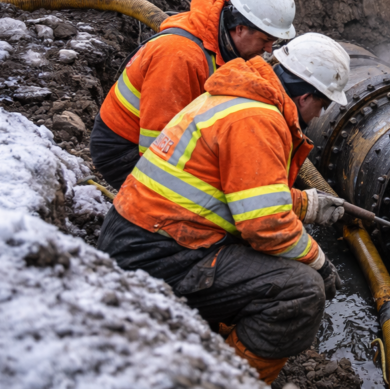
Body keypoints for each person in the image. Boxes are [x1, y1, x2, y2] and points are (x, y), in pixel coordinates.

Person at [97, 33, 351, 384]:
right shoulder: (258, 120)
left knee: (267, 263)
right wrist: (319, 262)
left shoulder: (236, 98)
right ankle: (230, 379)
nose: (318, 115)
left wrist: (307, 204)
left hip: (140, 237)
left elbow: (239, 189)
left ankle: (214, 337)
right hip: (156, 255)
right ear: (306, 95)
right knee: (302, 290)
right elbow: (265, 225)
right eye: (322, 106)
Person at [90, 0, 297, 190]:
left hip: (157, 140)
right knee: (219, 196)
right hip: (124, 153)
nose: (269, 50)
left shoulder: (220, 44)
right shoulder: (180, 56)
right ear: (241, 28)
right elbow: (157, 144)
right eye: (265, 40)